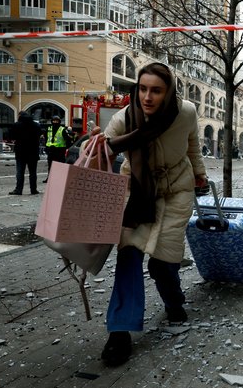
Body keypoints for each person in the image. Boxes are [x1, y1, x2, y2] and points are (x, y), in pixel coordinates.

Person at [88, 62, 208, 366]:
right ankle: (119, 332)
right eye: (142, 89)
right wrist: (95, 143)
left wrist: (200, 174)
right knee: (128, 255)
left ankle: (174, 301)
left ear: (168, 92)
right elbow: (103, 147)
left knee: (163, 263)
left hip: (176, 193)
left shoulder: (186, 113)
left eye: (156, 90)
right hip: (138, 194)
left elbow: (192, 145)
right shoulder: (126, 118)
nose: (147, 97)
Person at [9, 112, 42, 195]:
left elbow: (12, 136)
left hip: (21, 152)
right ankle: (33, 190)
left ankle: (19, 190)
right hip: (33, 152)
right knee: (33, 172)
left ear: (20, 116)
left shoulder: (16, 125)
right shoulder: (36, 125)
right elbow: (39, 136)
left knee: (20, 172)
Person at [43, 115, 73, 182]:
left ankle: (60, 177)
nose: (55, 122)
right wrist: (47, 146)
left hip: (60, 150)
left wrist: (66, 147)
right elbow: (46, 138)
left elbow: (67, 139)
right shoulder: (49, 128)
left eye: (56, 121)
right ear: (51, 121)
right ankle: (50, 178)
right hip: (51, 150)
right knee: (50, 165)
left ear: (59, 122)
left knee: (60, 165)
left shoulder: (62, 129)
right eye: (54, 121)